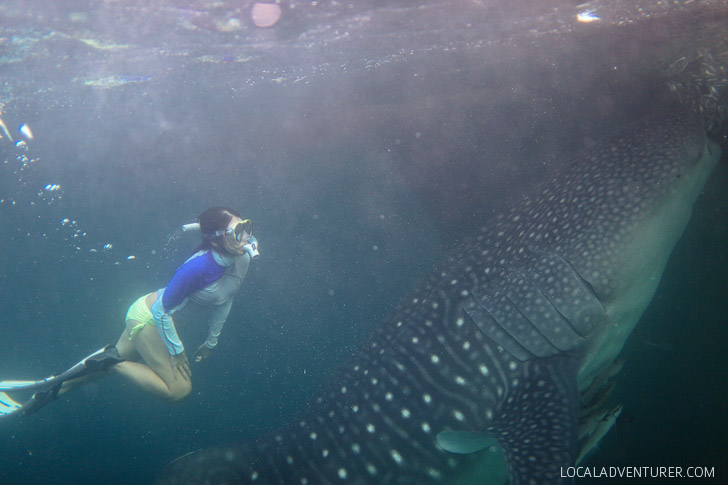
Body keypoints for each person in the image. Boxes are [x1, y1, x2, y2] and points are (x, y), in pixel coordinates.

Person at [0, 207, 259, 417]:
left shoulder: (241, 258)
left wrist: (211, 342)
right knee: (179, 390)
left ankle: (46, 396)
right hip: (148, 319)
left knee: (97, 373)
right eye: (238, 230)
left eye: (246, 226)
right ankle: (113, 361)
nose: (246, 236)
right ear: (217, 237)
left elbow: (226, 299)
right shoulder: (198, 267)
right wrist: (177, 349)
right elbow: (161, 311)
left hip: (155, 321)